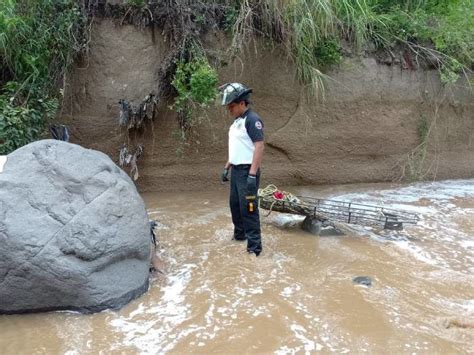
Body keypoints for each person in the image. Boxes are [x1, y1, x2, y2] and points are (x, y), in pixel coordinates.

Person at [219, 83, 264, 256]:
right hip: (237, 170)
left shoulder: (252, 119)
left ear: (242, 103)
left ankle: (254, 249)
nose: (229, 110)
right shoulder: (237, 122)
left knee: (249, 209)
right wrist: (227, 166)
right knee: (235, 206)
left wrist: (252, 174)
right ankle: (239, 237)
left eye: (231, 106)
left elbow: (259, 146)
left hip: (247, 172)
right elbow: (238, 147)